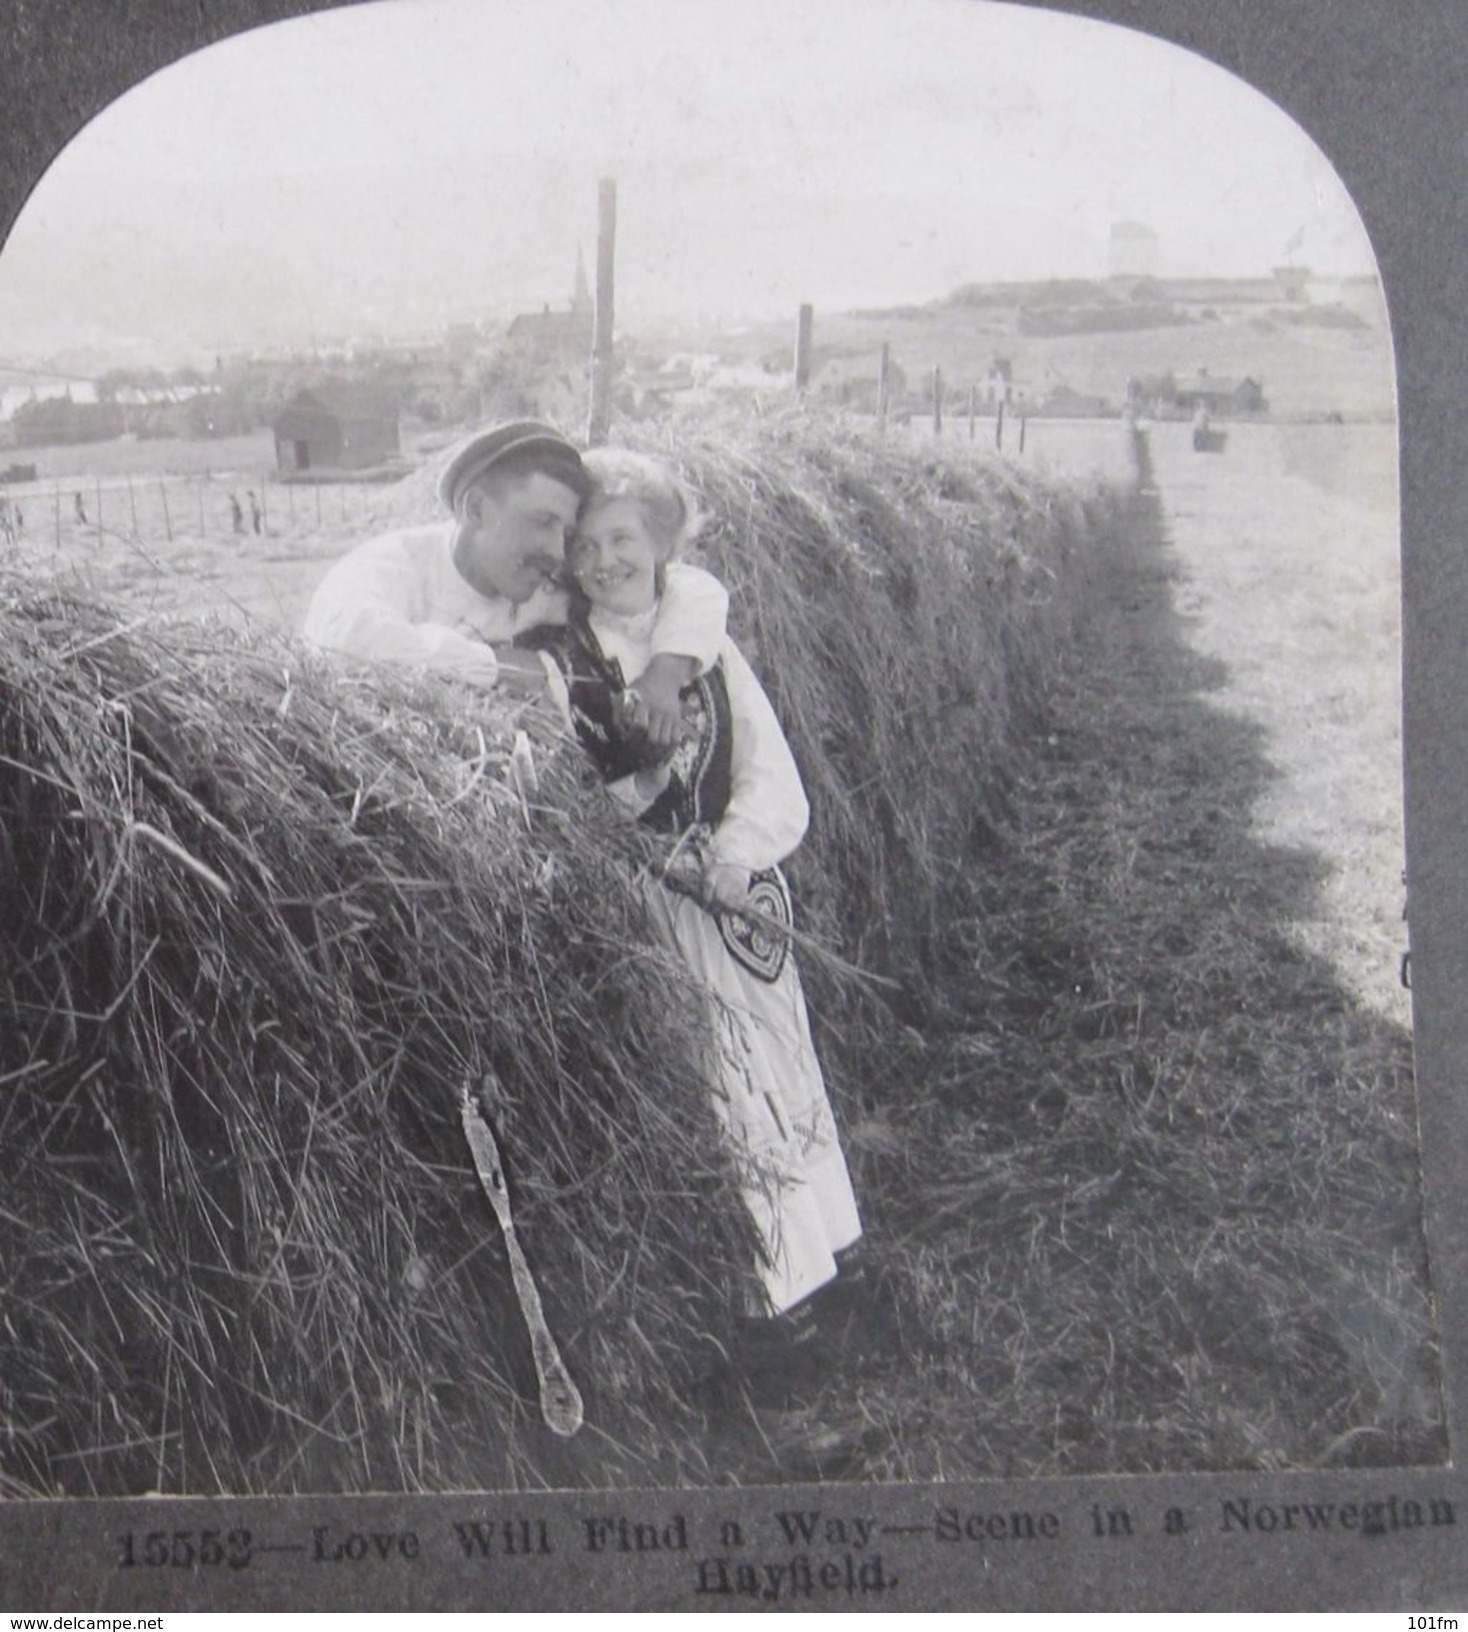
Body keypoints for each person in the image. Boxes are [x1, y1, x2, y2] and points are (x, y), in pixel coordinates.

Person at [520, 448, 862, 1330]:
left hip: (733, 899)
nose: (604, 561)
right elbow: (567, 793)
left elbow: (768, 770)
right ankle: (761, 1297)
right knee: (711, 1090)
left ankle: (822, 1253)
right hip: (644, 913)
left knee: (777, 1069)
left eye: (623, 538)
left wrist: (735, 857)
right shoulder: (563, 657)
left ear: (662, 542)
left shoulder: (704, 642)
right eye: (586, 545)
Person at [303, 422, 728, 743]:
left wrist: (668, 670)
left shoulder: (546, 580)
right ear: (476, 510)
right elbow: (344, 637)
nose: (558, 552)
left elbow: (686, 587)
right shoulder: (391, 566)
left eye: (566, 533)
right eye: (542, 522)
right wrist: (512, 670)